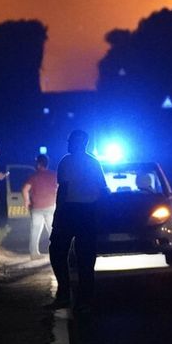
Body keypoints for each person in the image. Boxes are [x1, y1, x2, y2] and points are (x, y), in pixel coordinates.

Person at [51, 129, 106, 311]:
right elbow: (103, 189)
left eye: (70, 141)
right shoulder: (94, 163)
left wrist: (58, 215)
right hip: (88, 213)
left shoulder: (66, 161)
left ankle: (65, 294)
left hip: (70, 210)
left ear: (76, 142)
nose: (68, 144)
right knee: (86, 258)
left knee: (58, 251)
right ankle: (84, 300)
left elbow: (63, 190)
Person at [24, 153, 59, 259]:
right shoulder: (54, 175)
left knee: (35, 230)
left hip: (37, 207)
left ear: (39, 164)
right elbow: (59, 188)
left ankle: (34, 253)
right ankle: (56, 253)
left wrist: (27, 201)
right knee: (52, 231)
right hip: (50, 206)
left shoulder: (34, 176)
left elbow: (25, 189)